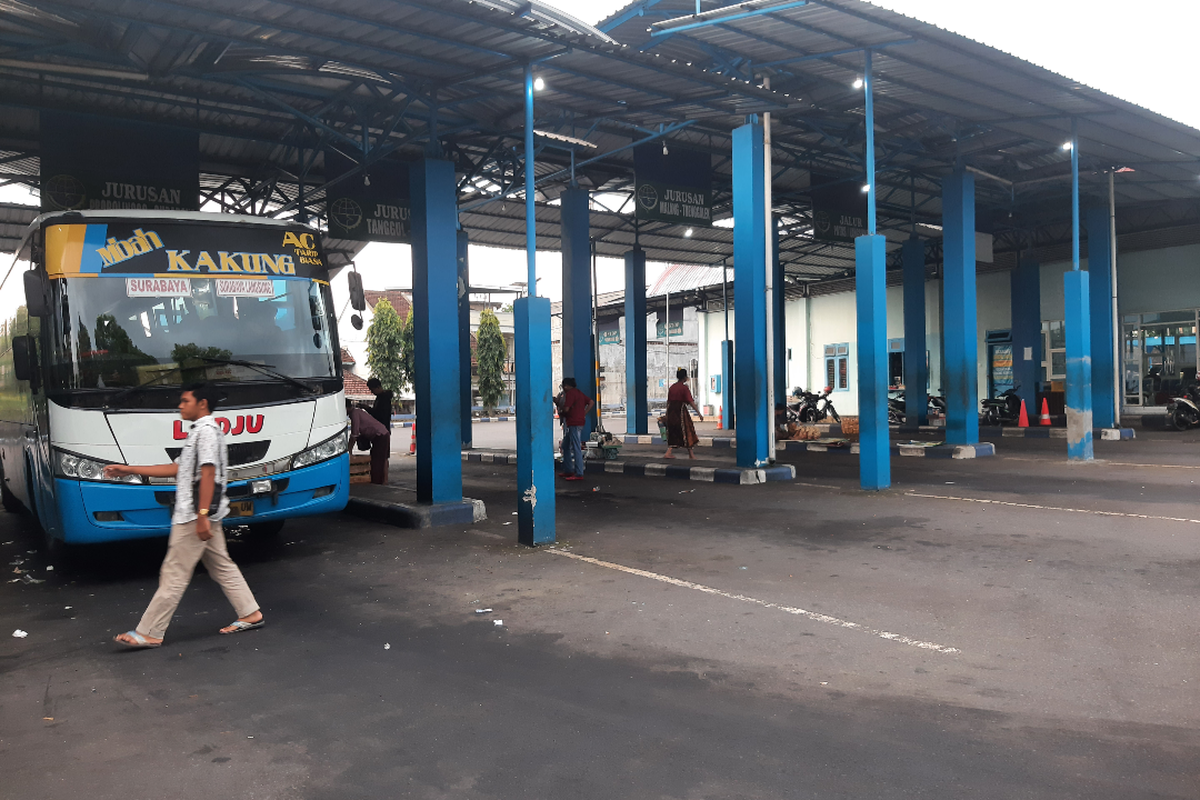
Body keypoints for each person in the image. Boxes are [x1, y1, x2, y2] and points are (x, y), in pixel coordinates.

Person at [107, 383, 263, 649]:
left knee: (174, 572)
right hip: (200, 513)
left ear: (201, 403)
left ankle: (150, 631)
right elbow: (176, 468)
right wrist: (129, 469)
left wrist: (202, 514)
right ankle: (250, 613)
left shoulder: (207, 433)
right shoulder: (200, 433)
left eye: (185, 401)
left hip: (193, 515)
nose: (180, 405)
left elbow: (209, 474)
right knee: (221, 565)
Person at [555, 377, 593, 481]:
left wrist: (559, 404)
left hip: (574, 423)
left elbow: (566, 409)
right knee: (565, 445)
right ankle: (568, 469)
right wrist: (583, 413)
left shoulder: (570, 394)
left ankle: (579, 473)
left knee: (576, 447)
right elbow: (591, 402)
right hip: (577, 422)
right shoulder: (579, 393)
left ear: (566, 386)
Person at [663, 367, 703, 459]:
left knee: (673, 431)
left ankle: (669, 452)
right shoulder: (684, 388)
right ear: (685, 377)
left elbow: (668, 402)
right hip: (680, 412)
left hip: (671, 411)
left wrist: (667, 414)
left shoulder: (672, 387)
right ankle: (691, 455)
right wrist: (699, 413)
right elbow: (690, 401)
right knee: (687, 431)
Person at [349, 400, 391, 484]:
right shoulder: (358, 412)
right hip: (382, 433)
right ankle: (384, 481)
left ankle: (378, 481)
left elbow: (355, 433)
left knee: (377, 460)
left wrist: (349, 450)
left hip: (380, 435)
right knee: (382, 458)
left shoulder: (354, 413)